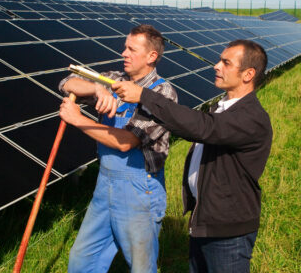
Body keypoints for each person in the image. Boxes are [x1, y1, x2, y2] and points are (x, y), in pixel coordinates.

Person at [112, 39, 273, 272]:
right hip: (207, 220)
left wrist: (145, 96)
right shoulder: (224, 107)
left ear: (248, 74)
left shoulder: (250, 117)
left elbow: (203, 128)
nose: (216, 66)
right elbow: (198, 127)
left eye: (226, 63)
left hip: (228, 231)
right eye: (219, 60)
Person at [58, 24, 178, 272]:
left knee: (141, 266)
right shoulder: (114, 79)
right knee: (82, 260)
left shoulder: (161, 93)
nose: (124, 53)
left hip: (139, 191)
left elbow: (126, 142)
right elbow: (67, 82)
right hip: (105, 186)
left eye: (132, 49)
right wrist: (96, 88)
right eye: (125, 47)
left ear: (151, 56)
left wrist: (78, 119)